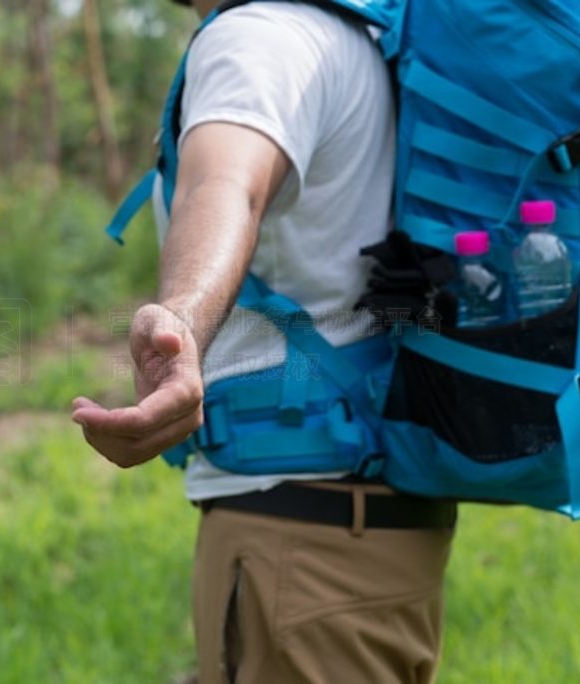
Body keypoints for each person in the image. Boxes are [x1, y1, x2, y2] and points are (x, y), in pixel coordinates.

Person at [72, 1, 457, 682]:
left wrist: (180, 324)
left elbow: (226, 185)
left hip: (302, 547)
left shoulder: (257, 36)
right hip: (370, 534)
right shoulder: (356, 37)